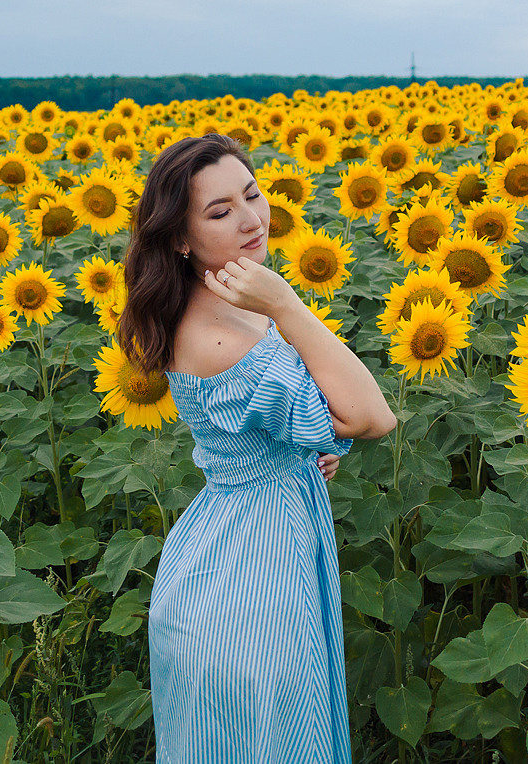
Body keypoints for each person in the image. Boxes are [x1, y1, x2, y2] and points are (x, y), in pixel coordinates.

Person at [119, 134, 397, 764]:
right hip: (251, 575)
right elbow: (373, 416)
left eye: (252, 194)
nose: (250, 219)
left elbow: (308, 418)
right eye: (219, 212)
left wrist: (306, 449)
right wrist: (288, 303)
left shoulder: (225, 301)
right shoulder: (222, 334)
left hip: (244, 542)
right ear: (181, 238)